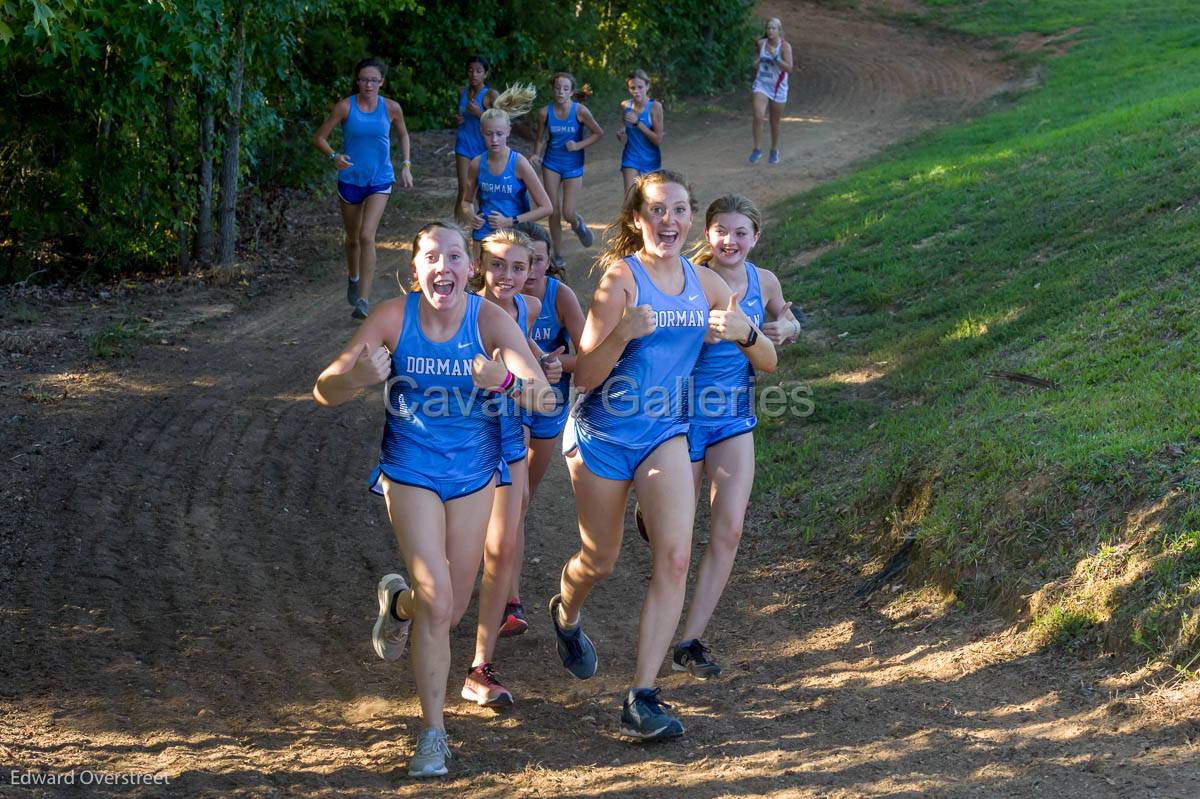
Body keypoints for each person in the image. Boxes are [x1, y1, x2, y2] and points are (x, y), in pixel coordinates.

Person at [313, 222, 555, 778]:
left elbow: (542, 397)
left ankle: (396, 605)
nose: (442, 265)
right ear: (415, 269)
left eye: (453, 256)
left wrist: (504, 383)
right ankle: (432, 734)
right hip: (410, 471)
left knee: (444, 612)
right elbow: (324, 386)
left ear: (469, 269)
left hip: (474, 476)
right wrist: (355, 382)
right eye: (430, 257)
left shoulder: (489, 319)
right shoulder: (393, 318)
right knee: (439, 596)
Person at [548, 171, 776, 741]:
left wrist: (748, 334)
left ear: (689, 219)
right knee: (598, 561)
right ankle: (567, 614)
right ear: (636, 220)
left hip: (664, 432)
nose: (667, 220)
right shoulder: (618, 280)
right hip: (603, 436)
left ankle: (641, 695)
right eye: (656, 210)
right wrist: (623, 332)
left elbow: (768, 359)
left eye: (678, 209)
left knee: (672, 557)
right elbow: (588, 378)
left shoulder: (705, 283)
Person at [669, 193, 802, 678]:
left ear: (755, 238)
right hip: (680, 418)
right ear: (708, 234)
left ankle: (690, 640)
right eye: (721, 230)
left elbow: (784, 321)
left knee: (728, 528)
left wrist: (788, 326)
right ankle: (652, 504)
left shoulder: (763, 280)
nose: (730, 240)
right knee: (677, 539)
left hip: (734, 416)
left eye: (740, 232)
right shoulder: (686, 278)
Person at [465, 228, 564, 706]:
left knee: (503, 542)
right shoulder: (461, 311)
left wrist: (545, 361)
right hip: (458, 438)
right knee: (459, 561)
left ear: (532, 271)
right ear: (480, 265)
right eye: (498, 264)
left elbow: (526, 357)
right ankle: (405, 605)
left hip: (508, 425)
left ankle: (481, 664)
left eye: (519, 267)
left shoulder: (529, 307)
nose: (507, 275)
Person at [499, 222, 585, 637]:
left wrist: (558, 365)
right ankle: (509, 600)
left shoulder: (558, 295)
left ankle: (500, 574)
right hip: (512, 402)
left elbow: (588, 356)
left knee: (521, 503)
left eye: (538, 259)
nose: (530, 269)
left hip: (549, 404)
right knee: (517, 499)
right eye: (523, 260)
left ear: (549, 261)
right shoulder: (494, 301)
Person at [313, 57, 414, 320]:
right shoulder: (345, 107)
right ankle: (353, 276)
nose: (368, 84)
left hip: (380, 179)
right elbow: (319, 138)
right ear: (356, 80)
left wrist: (405, 164)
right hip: (350, 180)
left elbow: (403, 134)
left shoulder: (391, 108)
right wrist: (333, 155)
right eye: (363, 79)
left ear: (381, 81)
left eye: (373, 80)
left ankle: (364, 300)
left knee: (368, 236)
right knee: (353, 238)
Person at [461, 84, 553, 258]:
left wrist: (511, 221)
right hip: (484, 235)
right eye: (489, 134)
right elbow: (466, 201)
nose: (494, 139)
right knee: (480, 280)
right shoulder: (476, 164)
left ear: (508, 132)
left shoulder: (519, 163)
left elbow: (547, 208)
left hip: (516, 235)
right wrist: (471, 215)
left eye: (499, 134)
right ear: (481, 132)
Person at [530, 72, 604, 268]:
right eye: (557, 88)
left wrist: (579, 145)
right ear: (553, 90)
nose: (560, 92)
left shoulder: (580, 111)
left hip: (573, 164)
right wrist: (536, 155)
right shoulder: (544, 113)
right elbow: (540, 139)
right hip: (551, 163)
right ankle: (558, 252)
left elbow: (598, 133)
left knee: (568, 212)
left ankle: (578, 224)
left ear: (572, 91)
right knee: (552, 209)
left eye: (565, 88)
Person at [454, 56, 499, 215]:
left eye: (479, 71)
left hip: (483, 148)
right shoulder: (462, 91)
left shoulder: (491, 95)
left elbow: (499, 122)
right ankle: (458, 232)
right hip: (464, 145)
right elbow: (460, 115)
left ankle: (484, 229)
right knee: (464, 190)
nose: (474, 74)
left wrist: (479, 113)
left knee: (483, 193)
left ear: (485, 74)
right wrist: (458, 119)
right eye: (471, 70)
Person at [749, 17, 794, 165]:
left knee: (774, 122)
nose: (770, 31)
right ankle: (757, 149)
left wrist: (776, 57)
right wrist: (757, 62)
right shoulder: (761, 43)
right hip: (761, 84)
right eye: (768, 28)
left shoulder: (784, 47)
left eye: (774, 28)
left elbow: (789, 68)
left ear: (779, 31)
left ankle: (774, 150)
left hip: (778, 88)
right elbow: (755, 63)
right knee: (758, 116)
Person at [614, 70, 664, 196]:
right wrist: (621, 133)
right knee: (630, 200)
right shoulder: (625, 105)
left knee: (650, 200)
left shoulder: (655, 107)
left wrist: (638, 123)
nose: (636, 91)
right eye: (632, 88)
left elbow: (658, 140)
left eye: (640, 87)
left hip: (651, 160)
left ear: (647, 86)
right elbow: (624, 127)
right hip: (631, 158)